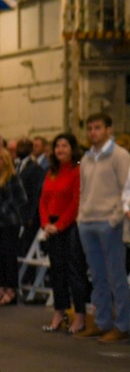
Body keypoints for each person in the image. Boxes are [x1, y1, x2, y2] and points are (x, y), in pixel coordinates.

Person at [77, 113, 130, 342]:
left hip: (110, 223)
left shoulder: (120, 155)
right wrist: (81, 216)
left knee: (116, 275)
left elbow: (127, 189)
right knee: (97, 276)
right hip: (87, 222)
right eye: (90, 128)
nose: (93, 133)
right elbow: (83, 190)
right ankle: (102, 322)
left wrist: (115, 218)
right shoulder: (87, 159)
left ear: (109, 129)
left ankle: (123, 325)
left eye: (98, 128)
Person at [39, 133, 90, 334]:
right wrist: (45, 224)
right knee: (56, 271)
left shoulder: (77, 170)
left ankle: (79, 315)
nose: (60, 149)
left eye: (64, 146)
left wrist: (59, 225)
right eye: (57, 146)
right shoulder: (51, 171)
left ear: (72, 149)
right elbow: (43, 200)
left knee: (74, 272)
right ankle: (59, 312)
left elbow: (76, 202)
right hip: (51, 226)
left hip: (70, 226)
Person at [0, 147, 27, 305]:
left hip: (9, 222)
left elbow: (22, 198)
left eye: (0, 158)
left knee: (9, 256)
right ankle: (2, 286)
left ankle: (11, 288)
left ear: (6, 160)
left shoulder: (13, 177)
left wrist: (6, 207)